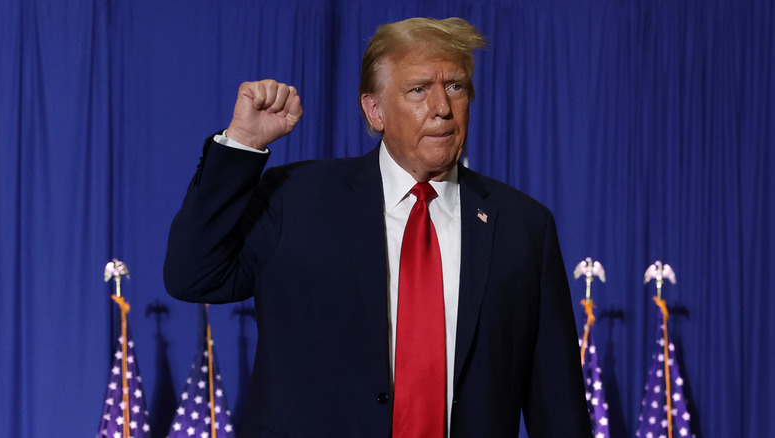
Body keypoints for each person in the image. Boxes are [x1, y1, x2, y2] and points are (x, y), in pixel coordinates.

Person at [164, 17, 591, 438]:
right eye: (419, 89)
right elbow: (194, 275)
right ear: (375, 110)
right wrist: (242, 143)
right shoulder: (297, 199)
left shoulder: (523, 226)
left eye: (455, 87)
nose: (442, 108)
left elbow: (556, 403)